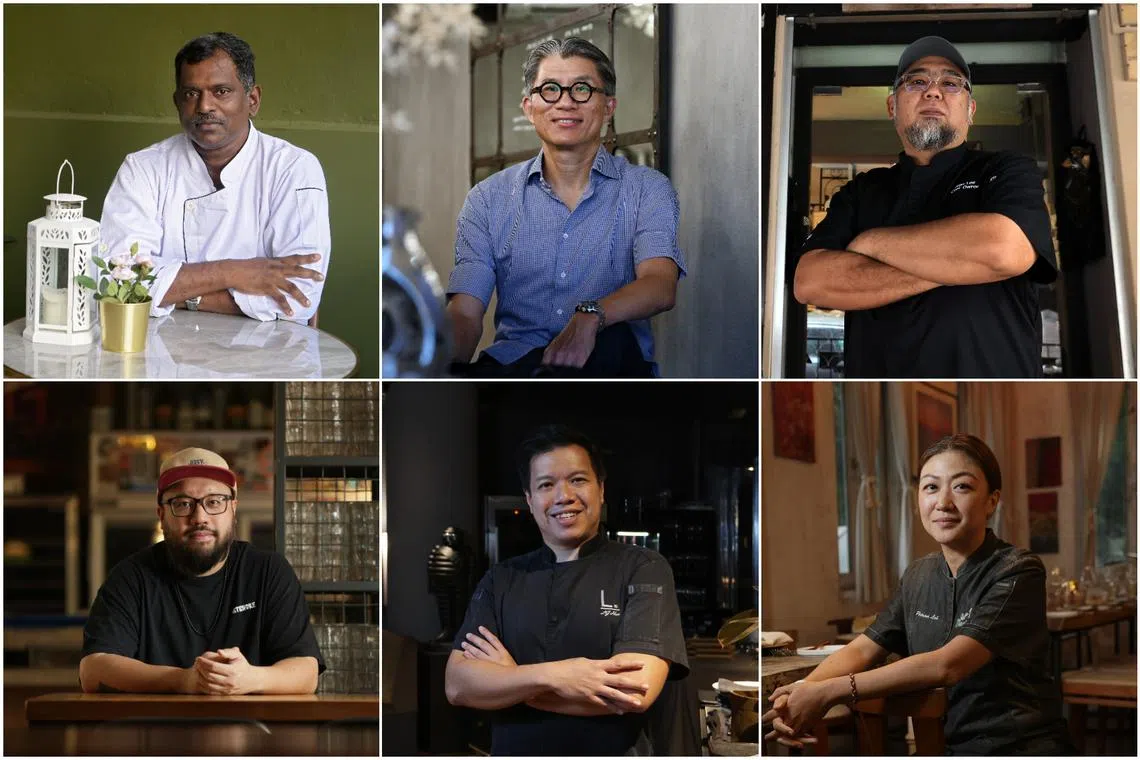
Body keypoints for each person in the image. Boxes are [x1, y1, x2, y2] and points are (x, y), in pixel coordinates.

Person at [763, 434, 1075, 755]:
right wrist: (800, 691)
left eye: (962, 486)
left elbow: (947, 665)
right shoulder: (918, 575)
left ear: (992, 501)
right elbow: (863, 650)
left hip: (1017, 745)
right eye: (930, 487)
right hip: (938, 747)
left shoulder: (1017, 570)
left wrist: (830, 693)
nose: (943, 502)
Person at [792, 36, 1057, 378]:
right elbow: (811, 282)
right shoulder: (861, 192)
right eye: (917, 81)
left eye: (950, 83)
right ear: (892, 107)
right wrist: (962, 265)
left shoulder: (1006, 170)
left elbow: (1004, 250)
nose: (933, 91)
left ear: (971, 110)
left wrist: (871, 244)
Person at [446, 38, 685, 378]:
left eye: (582, 89)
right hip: (516, 369)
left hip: (608, 368)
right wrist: (435, 363)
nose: (566, 103)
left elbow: (661, 284)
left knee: (613, 342)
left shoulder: (648, 189)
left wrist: (591, 316)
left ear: (609, 106)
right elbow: (466, 311)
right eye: (550, 90)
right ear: (529, 107)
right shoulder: (486, 199)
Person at [445, 425, 689, 755]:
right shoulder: (502, 579)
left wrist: (511, 680)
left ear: (601, 489)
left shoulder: (643, 567)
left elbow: (634, 691)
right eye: (546, 485)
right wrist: (559, 675)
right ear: (530, 501)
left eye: (577, 480)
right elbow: (459, 685)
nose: (564, 496)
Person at [100, 32, 330, 324]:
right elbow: (119, 281)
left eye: (221, 91)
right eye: (191, 93)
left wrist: (182, 295)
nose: (204, 106)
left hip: (263, 357)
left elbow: (298, 298)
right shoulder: (143, 168)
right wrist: (234, 272)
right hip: (161, 354)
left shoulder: (294, 168)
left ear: (253, 100)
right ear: (176, 102)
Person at [79, 447, 324, 694]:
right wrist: (184, 680)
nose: (200, 517)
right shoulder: (131, 578)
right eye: (183, 504)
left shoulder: (268, 571)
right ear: (161, 514)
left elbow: (306, 672)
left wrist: (250, 679)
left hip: (256, 730)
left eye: (214, 502)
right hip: (156, 730)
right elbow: (93, 670)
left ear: (233, 509)